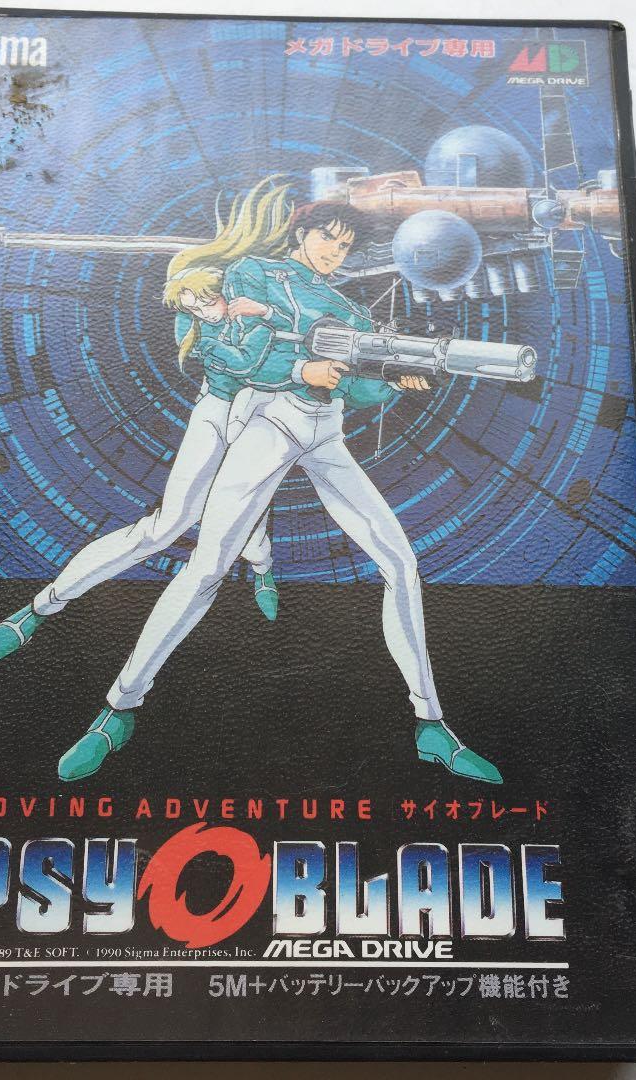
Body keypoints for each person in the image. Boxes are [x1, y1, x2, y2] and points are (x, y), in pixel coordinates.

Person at [56, 200, 503, 786]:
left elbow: (360, 389)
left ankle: (431, 726)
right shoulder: (256, 273)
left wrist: (396, 377)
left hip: (324, 433)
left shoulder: (349, 308)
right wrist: (300, 368)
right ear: (301, 233)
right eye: (327, 238)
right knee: (208, 566)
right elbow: (244, 348)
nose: (333, 252)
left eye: (344, 246)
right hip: (271, 423)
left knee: (401, 563)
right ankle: (118, 710)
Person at [0, 180, 291, 673]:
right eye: (192, 306)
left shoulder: (263, 300)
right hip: (218, 412)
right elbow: (238, 361)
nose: (201, 311)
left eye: (206, 301)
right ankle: (40, 608)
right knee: (166, 526)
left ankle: (263, 570)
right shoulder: (201, 330)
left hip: (266, 420)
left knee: (248, 524)